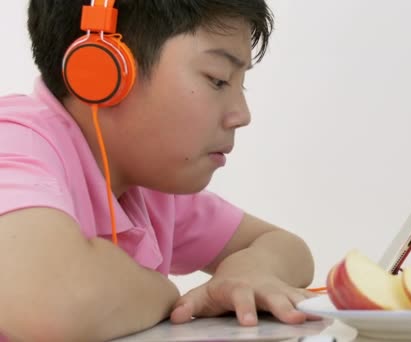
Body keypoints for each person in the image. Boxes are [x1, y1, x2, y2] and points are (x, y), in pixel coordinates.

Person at [0, 1, 318, 341]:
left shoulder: (149, 189)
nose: (241, 114)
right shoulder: (15, 140)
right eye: (218, 80)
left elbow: (287, 247)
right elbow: (51, 306)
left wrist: (249, 271)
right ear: (101, 69)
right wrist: (167, 295)